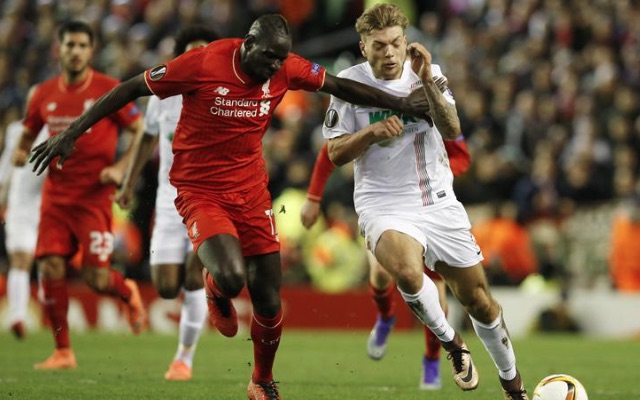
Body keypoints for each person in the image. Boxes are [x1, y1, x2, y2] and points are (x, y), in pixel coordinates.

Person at [29, 13, 430, 400]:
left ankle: (262, 381)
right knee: (232, 276)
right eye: (269, 57)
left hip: (251, 191)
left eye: (281, 59)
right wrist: (74, 132)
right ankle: (215, 288)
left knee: (269, 297)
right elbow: (130, 88)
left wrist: (402, 104)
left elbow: (342, 88)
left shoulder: (286, 67)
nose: (276, 67)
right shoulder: (204, 63)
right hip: (200, 189)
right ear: (248, 44)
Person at [321, 4, 528, 399]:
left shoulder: (428, 74)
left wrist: (428, 81)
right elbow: (334, 153)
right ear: (364, 47)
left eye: (396, 43)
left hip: (437, 200)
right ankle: (452, 345)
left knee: (480, 303)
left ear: (406, 41)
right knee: (408, 273)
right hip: (383, 203)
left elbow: (452, 129)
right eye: (378, 45)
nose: (389, 52)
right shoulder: (348, 85)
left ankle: (513, 384)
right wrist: (372, 133)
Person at [300, 117, 470, 390]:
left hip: (429, 211)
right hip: (386, 208)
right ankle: (386, 316)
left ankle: (432, 361)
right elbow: (328, 152)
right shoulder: (372, 113)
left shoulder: (434, 112)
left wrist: (437, 172)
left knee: (436, 293)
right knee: (380, 274)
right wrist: (313, 198)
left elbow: (461, 156)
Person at [16, 20, 147, 370]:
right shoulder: (42, 93)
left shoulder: (108, 89)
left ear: (91, 51)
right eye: (69, 45)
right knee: (49, 266)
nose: (75, 52)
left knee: (96, 279)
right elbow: (27, 136)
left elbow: (140, 130)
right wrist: (18, 154)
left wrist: (120, 169)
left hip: (93, 198)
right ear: (59, 48)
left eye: (82, 46)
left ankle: (126, 291)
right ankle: (63, 351)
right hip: (56, 198)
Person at [117, 25, 220, 381]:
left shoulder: (224, 96)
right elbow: (146, 139)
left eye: (206, 52)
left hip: (207, 197)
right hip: (167, 197)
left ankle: (184, 359)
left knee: (194, 274)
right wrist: (128, 182)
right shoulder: (162, 96)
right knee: (164, 286)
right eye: (192, 52)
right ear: (181, 58)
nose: (199, 59)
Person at [0, 111, 47, 339]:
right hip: (21, 204)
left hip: (50, 203)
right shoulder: (16, 130)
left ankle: (51, 316)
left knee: (49, 261)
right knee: (21, 260)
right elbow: (6, 167)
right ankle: (18, 317)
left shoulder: (56, 129)